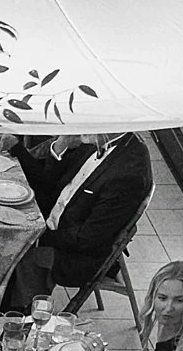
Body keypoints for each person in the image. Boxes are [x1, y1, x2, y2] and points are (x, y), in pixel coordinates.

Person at [9, 130, 154, 307]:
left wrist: (38, 237)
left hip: (77, 255)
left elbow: (88, 237)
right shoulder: (97, 138)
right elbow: (48, 183)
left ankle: (16, 315)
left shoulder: (129, 174)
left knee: (15, 254)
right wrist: (58, 147)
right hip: (54, 222)